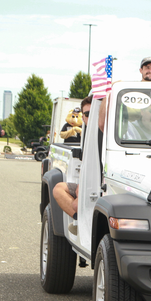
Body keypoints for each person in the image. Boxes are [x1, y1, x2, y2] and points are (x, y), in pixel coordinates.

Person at [53, 95, 92, 236]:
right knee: (58, 189)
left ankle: (82, 221)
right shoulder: (86, 131)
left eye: (92, 113)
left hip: (98, 184)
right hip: (85, 180)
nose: (89, 117)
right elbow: (63, 134)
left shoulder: (102, 133)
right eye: (86, 114)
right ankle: (79, 221)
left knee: (77, 204)